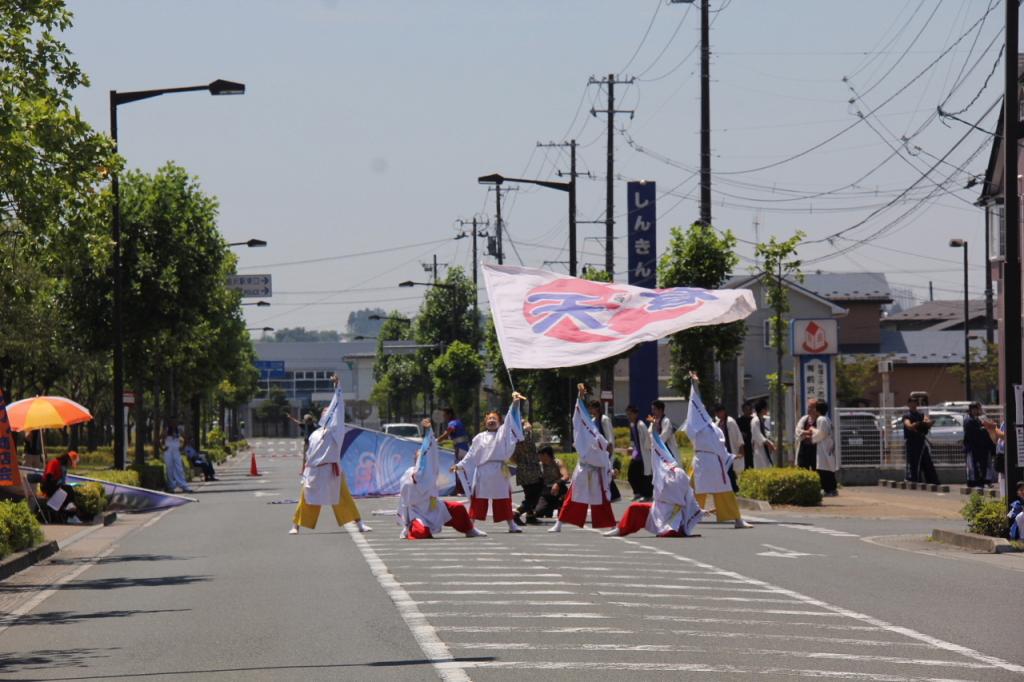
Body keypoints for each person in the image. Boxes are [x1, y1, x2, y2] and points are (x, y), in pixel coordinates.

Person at [290, 375, 372, 534]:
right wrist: (305, 470)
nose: (329, 415)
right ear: (321, 417)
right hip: (314, 471)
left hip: (331, 470)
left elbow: (339, 409)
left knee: (344, 498)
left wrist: (338, 386)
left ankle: (360, 523)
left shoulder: (336, 432)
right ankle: (295, 525)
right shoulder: (315, 434)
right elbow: (309, 454)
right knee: (306, 497)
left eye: (331, 413)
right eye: (325, 413)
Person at [604, 428, 703, 538]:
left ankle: (673, 529)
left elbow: (689, 495)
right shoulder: (661, 472)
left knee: (670, 531)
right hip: (657, 508)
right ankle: (620, 530)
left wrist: (698, 510)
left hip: (673, 511)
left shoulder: (679, 473)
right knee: (635, 508)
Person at [397, 419, 485, 539]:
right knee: (422, 533)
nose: (423, 458)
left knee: (458, 508)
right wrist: (405, 525)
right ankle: (412, 527)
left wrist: (429, 431)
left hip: (434, 505)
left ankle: (470, 529)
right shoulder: (409, 475)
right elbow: (405, 501)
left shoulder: (430, 471)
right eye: (420, 456)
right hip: (418, 511)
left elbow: (430, 452)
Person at [453, 392, 527, 533]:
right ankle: (470, 525)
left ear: (500, 422)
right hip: (483, 472)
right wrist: (459, 465)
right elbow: (470, 456)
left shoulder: (503, 434)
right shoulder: (479, 437)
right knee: (478, 499)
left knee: (504, 498)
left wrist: (515, 403)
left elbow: (511, 418)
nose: (491, 420)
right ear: (485, 422)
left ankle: (511, 524)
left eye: (494, 418)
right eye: (489, 418)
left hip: (499, 470)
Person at [687, 373, 753, 529]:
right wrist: (694, 386)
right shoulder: (696, 429)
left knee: (724, 492)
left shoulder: (712, 428)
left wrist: (730, 456)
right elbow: (695, 405)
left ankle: (737, 518)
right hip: (702, 463)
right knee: (692, 492)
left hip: (713, 464)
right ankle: (685, 517)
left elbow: (720, 446)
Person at [549, 384, 617, 533]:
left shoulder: (602, 424)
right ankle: (559, 523)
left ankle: (613, 525)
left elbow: (610, 445)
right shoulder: (587, 425)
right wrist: (580, 396)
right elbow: (578, 416)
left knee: (602, 499)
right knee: (572, 496)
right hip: (584, 467)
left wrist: (611, 466)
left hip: (598, 469)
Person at [588, 399, 620, 502]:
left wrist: (609, 451)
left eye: (592, 407)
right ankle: (611, 495)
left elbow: (609, 436)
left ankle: (614, 495)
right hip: (598, 452)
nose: (590, 410)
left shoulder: (604, 419)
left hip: (606, 451)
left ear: (597, 408)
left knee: (606, 472)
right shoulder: (593, 421)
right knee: (603, 473)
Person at [513, 422, 543, 526]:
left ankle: (530, 516)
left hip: (523, 469)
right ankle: (517, 512)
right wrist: (525, 425)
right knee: (534, 495)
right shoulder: (522, 436)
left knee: (529, 493)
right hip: (530, 469)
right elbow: (528, 430)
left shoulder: (513, 438)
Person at [903, 397, 939, 485]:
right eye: (911, 402)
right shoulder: (907, 416)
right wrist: (915, 425)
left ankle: (932, 481)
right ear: (908, 404)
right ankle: (913, 480)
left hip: (921, 442)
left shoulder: (921, 415)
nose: (914, 404)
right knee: (913, 462)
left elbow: (928, 421)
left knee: (927, 462)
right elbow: (908, 425)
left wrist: (926, 423)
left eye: (915, 402)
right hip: (912, 443)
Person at [810, 400, 839, 496]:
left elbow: (822, 433)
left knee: (823, 469)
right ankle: (831, 489)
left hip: (823, 447)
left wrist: (813, 431)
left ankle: (828, 490)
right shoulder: (827, 419)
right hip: (827, 446)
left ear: (817, 410)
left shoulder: (821, 419)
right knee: (828, 468)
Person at [532, 446, 569, 520]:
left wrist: (557, 483)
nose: (538, 457)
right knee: (539, 512)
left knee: (562, 513)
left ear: (545, 455)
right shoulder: (539, 465)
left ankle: (560, 506)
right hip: (546, 492)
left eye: (540, 455)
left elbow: (566, 476)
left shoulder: (558, 462)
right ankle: (549, 508)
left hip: (558, 490)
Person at [714, 404, 744, 493]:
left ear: (724, 411)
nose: (719, 414)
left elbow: (738, 436)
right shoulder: (717, 424)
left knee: (733, 472)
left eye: (720, 412)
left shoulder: (730, 422)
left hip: (732, 451)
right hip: (723, 453)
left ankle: (735, 490)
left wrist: (741, 450)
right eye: (717, 413)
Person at [963, 402, 994, 489]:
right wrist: (983, 429)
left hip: (982, 446)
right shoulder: (968, 419)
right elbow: (972, 433)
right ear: (971, 410)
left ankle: (983, 482)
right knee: (972, 465)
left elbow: (989, 428)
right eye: (975, 409)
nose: (977, 411)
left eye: (978, 409)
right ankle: (973, 482)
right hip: (972, 447)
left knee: (983, 465)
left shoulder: (980, 418)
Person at [626, 405, 653, 501]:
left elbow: (647, 440)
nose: (629, 416)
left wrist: (646, 451)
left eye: (630, 414)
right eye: (628, 414)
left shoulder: (641, 425)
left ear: (636, 414)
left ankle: (646, 495)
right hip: (637, 454)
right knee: (632, 474)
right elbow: (633, 440)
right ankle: (637, 492)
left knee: (645, 475)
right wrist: (631, 448)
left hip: (644, 454)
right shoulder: (633, 425)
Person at [41, 451, 78, 518]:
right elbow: (49, 477)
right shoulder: (54, 462)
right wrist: (58, 485)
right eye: (70, 463)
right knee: (68, 489)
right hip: (47, 486)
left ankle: (67, 510)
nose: (70, 466)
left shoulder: (62, 467)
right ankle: (69, 508)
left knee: (68, 489)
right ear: (68, 460)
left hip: (54, 486)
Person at [162, 422, 192, 494]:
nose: (173, 424)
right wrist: (162, 448)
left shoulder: (179, 430)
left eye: (175, 422)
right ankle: (171, 486)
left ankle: (183, 485)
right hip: (168, 451)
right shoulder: (166, 430)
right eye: (172, 422)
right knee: (169, 468)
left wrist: (182, 448)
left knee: (179, 468)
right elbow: (159, 438)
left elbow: (185, 438)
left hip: (176, 451)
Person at [750, 400, 775, 469]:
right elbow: (758, 436)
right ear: (763, 409)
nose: (767, 410)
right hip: (759, 449)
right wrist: (770, 444)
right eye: (766, 408)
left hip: (763, 449)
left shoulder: (760, 420)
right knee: (761, 468)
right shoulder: (755, 420)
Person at [795, 399, 818, 471]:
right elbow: (798, 431)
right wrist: (808, 432)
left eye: (811, 407)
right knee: (802, 468)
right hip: (804, 448)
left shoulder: (820, 420)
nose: (809, 409)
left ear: (816, 409)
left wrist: (806, 433)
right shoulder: (804, 418)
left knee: (816, 469)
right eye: (808, 407)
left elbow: (820, 433)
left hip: (815, 449)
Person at [736, 401, 755, 470]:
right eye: (746, 409)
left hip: (752, 445)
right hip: (743, 446)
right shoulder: (738, 421)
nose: (748, 411)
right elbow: (736, 433)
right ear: (743, 410)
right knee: (745, 465)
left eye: (750, 409)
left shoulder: (754, 420)